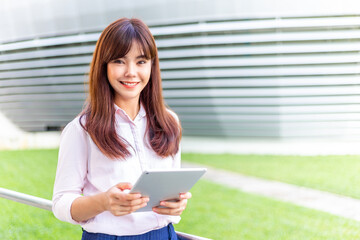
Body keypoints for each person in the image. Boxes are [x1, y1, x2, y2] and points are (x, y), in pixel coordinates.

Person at [52, 17, 191, 240]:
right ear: (103, 66)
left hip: (165, 235)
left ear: (152, 66)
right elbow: (60, 204)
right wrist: (104, 202)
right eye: (119, 61)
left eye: (141, 61)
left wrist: (176, 205)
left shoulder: (169, 122)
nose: (131, 72)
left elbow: (170, 189)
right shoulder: (81, 129)